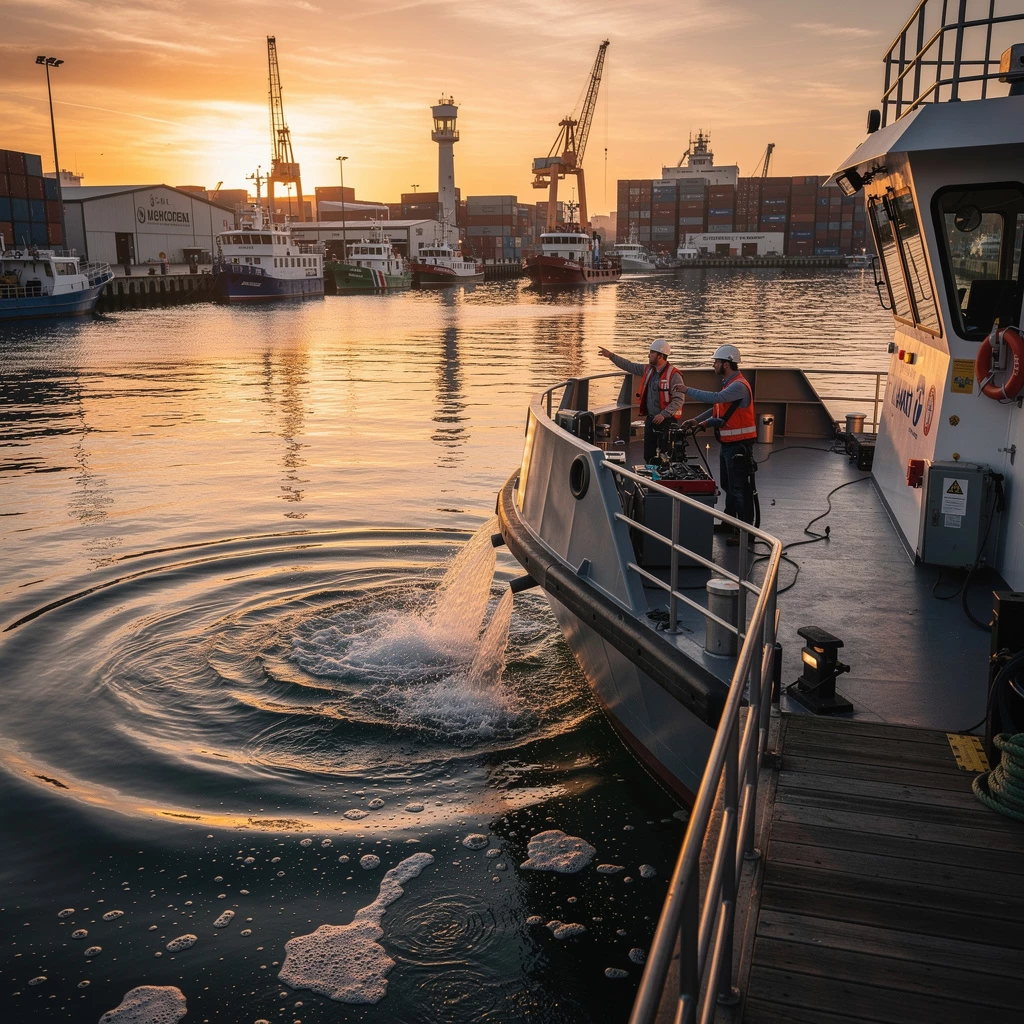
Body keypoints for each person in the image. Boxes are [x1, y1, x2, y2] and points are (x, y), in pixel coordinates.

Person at [681, 344, 757, 543]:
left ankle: (745, 533)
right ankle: (729, 523)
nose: (713, 365)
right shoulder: (729, 385)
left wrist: (687, 390)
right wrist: (698, 421)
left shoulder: (738, 386)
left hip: (739, 446)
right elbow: (719, 412)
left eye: (716, 361)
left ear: (726, 364)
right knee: (728, 486)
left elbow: (716, 398)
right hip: (728, 444)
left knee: (739, 489)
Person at [598, 339, 685, 463]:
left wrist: (663, 414)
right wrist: (611, 356)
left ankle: (663, 479)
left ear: (660, 356)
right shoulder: (648, 370)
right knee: (648, 454)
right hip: (651, 419)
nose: (649, 355)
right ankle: (651, 474)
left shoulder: (674, 375)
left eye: (652, 353)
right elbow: (629, 366)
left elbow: (679, 399)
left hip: (667, 421)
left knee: (666, 456)